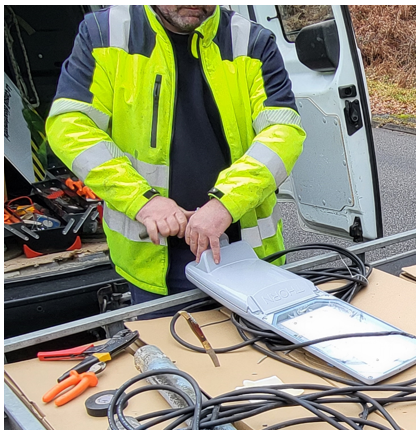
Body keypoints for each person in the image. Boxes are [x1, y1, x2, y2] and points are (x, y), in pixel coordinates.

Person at [47, 5, 305, 313]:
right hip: (153, 268)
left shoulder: (251, 41)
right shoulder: (105, 34)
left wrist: (225, 203)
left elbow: (283, 131)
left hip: (249, 259)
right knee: (171, 360)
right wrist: (143, 201)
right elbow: (69, 126)